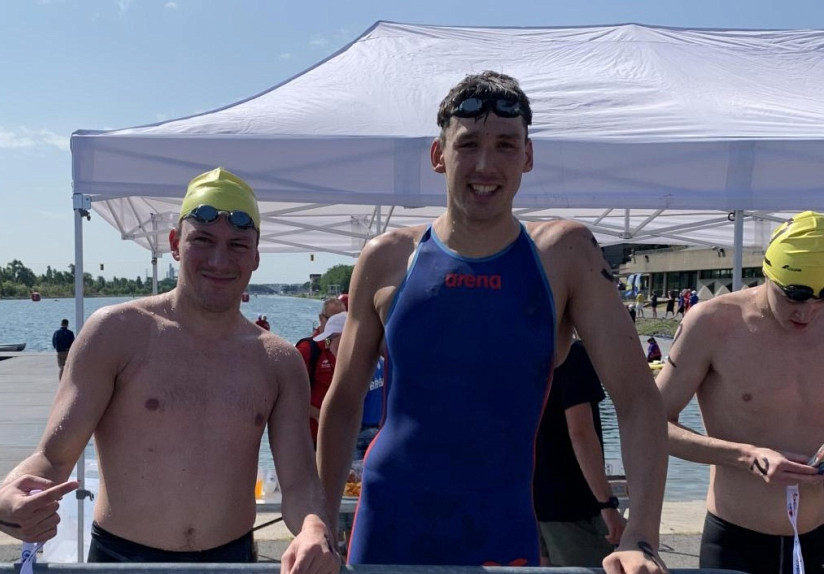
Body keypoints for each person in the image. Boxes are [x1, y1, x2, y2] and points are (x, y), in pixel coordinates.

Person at [317, 71, 667, 571]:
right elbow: (346, 398)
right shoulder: (388, 257)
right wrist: (320, 523)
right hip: (388, 521)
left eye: (506, 145)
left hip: (499, 527)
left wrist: (641, 538)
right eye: (468, 144)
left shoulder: (565, 255)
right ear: (439, 156)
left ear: (527, 156)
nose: (486, 164)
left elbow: (637, 400)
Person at [0, 168, 339, 573]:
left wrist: (313, 527)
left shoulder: (278, 360)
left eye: (238, 245)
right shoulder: (116, 332)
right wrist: (4, 498)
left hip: (232, 560)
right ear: (175, 244)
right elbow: (51, 456)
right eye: (202, 241)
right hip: (122, 560)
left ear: (256, 256)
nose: (220, 260)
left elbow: (298, 483)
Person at [656, 211, 824, 574]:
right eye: (794, 296)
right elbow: (651, 424)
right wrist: (745, 456)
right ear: (768, 273)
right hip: (736, 539)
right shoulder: (712, 323)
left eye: (822, 299)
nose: (807, 313)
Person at [535, 340, 625, 567]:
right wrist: (607, 504)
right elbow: (581, 432)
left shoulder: (519, 352)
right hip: (574, 505)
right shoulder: (570, 354)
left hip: (532, 501)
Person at [299, 312, 346, 448]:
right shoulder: (308, 350)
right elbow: (291, 397)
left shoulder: (364, 358)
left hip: (342, 435)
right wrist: (320, 416)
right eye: (327, 339)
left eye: (331, 338)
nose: (328, 343)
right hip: (311, 435)